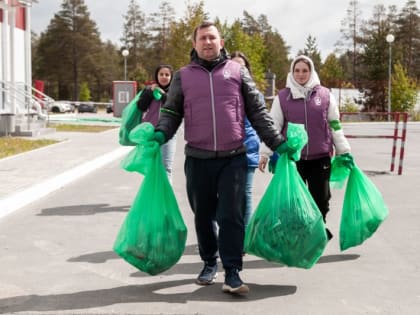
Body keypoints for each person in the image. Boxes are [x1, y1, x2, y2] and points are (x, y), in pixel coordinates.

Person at [152, 21, 293, 295]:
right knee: (203, 216)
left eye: (212, 38)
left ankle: (232, 272)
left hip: (234, 157)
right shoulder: (183, 76)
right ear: (194, 44)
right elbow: (171, 113)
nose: (207, 42)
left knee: (232, 215)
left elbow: (258, 112)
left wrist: (277, 142)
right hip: (197, 158)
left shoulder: (237, 72)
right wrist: (160, 134)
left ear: (221, 42)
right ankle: (208, 262)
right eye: (202, 38)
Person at [258, 55, 353, 240]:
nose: (301, 74)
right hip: (294, 160)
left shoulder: (325, 95)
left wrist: (344, 151)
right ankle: (300, 237)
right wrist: (265, 154)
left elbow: (335, 125)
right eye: (297, 70)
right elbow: (273, 126)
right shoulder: (283, 97)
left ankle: (317, 230)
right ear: (292, 73)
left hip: (321, 157)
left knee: (321, 200)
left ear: (311, 72)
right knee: (294, 201)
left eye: (305, 70)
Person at [230, 51, 261, 227]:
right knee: (228, 196)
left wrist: (272, 151)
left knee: (245, 194)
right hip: (226, 151)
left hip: (247, 149)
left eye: (242, 67)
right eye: (234, 66)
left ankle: (245, 236)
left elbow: (265, 124)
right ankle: (231, 232)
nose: (238, 70)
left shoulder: (255, 94)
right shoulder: (221, 94)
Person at [136, 64, 177, 182]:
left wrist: (163, 94)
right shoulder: (149, 90)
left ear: (171, 77)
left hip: (168, 135)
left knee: (166, 168)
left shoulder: (175, 91)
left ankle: (165, 198)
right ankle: (152, 196)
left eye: (167, 75)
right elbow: (141, 107)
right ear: (157, 76)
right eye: (161, 74)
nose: (164, 77)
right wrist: (150, 92)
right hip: (150, 135)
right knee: (151, 168)